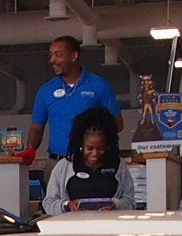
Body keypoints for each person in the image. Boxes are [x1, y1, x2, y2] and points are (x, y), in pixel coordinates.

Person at [21, 36, 122, 170]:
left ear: (74, 55)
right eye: (51, 55)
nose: (52, 60)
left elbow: (118, 124)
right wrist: (30, 149)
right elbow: (36, 128)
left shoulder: (99, 85)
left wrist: (93, 127)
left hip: (91, 163)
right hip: (56, 163)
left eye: (58, 55)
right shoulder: (45, 90)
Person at [42, 111, 137, 213]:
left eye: (101, 148)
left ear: (108, 145)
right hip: (74, 226)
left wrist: (116, 205)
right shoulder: (64, 166)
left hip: (108, 225)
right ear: (81, 143)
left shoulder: (119, 165)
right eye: (89, 148)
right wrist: (67, 205)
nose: (95, 153)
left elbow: (131, 201)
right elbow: (48, 203)